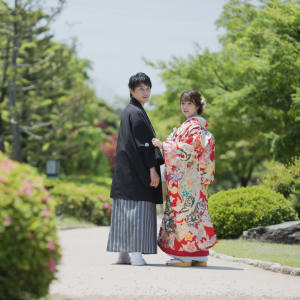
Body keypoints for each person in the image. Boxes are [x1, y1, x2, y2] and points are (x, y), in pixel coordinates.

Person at [152, 90, 217, 267]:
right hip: (194, 179)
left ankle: (186, 256)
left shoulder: (194, 126)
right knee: (196, 214)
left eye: (189, 103)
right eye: (182, 103)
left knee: (186, 215)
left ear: (197, 105)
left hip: (187, 181)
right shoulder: (195, 125)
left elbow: (189, 149)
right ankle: (200, 255)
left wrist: (164, 145)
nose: (185, 107)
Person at [107, 72, 163, 266]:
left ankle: (123, 254)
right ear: (131, 90)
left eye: (148, 89)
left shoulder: (128, 111)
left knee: (124, 211)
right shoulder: (137, 113)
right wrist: (152, 170)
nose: (145, 92)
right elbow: (144, 145)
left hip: (125, 172)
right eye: (141, 89)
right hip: (138, 172)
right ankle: (136, 255)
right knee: (138, 211)